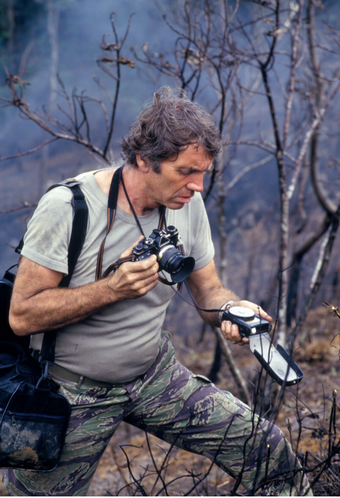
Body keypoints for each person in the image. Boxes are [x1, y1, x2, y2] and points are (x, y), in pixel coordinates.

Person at [5, 87, 310, 496]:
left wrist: (232, 310)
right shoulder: (69, 207)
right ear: (144, 160)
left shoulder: (186, 203)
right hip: (72, 390)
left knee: (266, 448)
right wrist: (111, 289)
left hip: (154, 376)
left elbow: (208, 293)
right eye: (186, 171)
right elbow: (22, 315)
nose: (198, 186)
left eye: (204, 172)